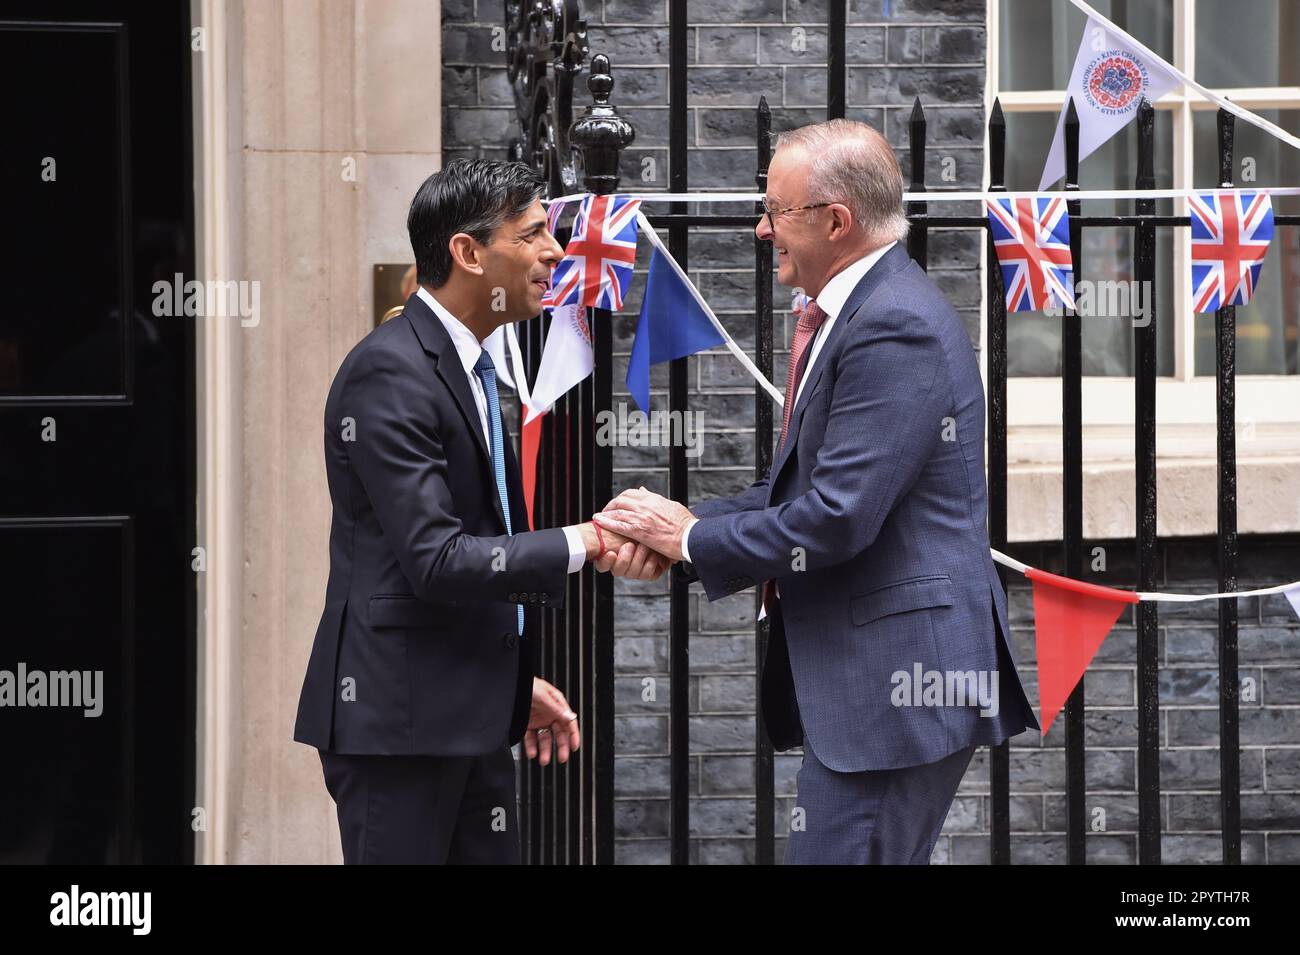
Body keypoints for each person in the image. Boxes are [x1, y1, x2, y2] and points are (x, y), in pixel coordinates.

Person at [595, 119, 1040, 865]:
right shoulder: (859, 312)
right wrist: (680, 526)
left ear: (836, 221)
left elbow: (836, 517)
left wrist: (689, 539)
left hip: (898, 684)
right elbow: (793, 489)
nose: (763, 229)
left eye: (776, 210)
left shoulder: (894, 324)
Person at [294, 159, 666, 864]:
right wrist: (589, 538)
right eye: (531, 235)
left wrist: (509, 685)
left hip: (469, 718)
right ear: (467, 252)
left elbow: (476, 546)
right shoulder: (390, 371)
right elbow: (437, 559)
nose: (554, 252)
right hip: (397, 732)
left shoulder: (471, 363)